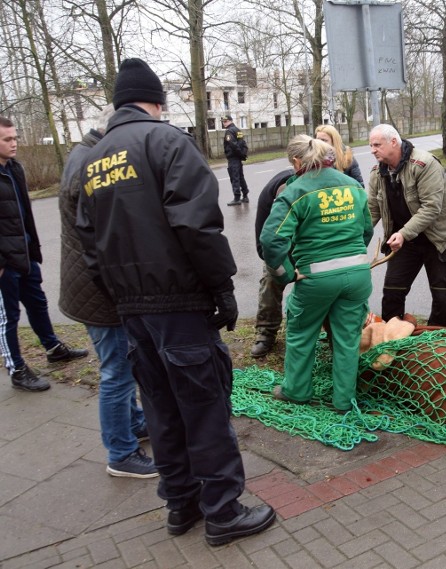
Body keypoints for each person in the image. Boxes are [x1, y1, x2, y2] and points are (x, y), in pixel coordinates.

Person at [76, 58, 275, 545]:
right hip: (179, 305)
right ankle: (223, 511)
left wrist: (119, 298)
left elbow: (87, 243)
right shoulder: (168, 143)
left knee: (160, 408)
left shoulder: (95, 160)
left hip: (132, 311)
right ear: (157, 102)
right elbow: (198, 226)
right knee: (204, 406)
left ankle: (181, 502)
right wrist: (222, 287)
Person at [58, 106, 156, 478]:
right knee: (117, 371)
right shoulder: (91, 165)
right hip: (98, 292)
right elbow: (104, 237)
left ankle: (132, 424)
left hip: (90, 287)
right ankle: (121, 453)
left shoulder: (83, 155)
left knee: (122, 364)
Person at [260, 135, 372, 412]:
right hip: (357, 275)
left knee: (302, 334)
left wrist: (286, 274)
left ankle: (296, 391)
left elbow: (271, 240)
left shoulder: (294, 191)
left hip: (315, 278)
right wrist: (350, 258)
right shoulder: (353, 186)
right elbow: (367, 229)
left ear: (297, 161)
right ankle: (345, 400)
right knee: (347, 338)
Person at [0, 116, 89, 393]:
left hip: (25, 254)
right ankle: (16, 369)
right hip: (4, 262)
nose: (14, 143)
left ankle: (52, 347)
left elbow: (24, 214)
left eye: (15, 138)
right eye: (7, 139)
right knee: (8, 317)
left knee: (37, 303)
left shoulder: (15, 168)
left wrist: (34, 250)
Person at [367, 124, 446, 327]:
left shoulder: (424, 164)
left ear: (393, 142)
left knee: (442, 294)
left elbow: (431, 208)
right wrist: (356, 237)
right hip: (405, 240)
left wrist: (402, 233)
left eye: (377, 145)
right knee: (392, 290)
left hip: (439, 237)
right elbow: (372, 209)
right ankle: (391, 340)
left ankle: (438, 340)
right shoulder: (377, 172)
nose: (372, 150)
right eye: (371, 145)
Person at [250, 166, 295, 358]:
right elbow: (263, 245)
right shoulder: (267, 198)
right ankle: (266, 333)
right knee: (270, 282)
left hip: (307, 242)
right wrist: (281, 268)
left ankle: (310, 330)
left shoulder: (307, 190)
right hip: (277, 246)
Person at [223, 115, 249, 206]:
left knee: (235, 177)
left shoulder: (229, 131)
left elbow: (233, 145)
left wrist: (240, 154)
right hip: (238, 157)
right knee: (240, 177)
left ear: (230, 121)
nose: (224, 123)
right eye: (223, 121)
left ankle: (237, 198)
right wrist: (243, 155)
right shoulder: (238, 130)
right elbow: (243, 143)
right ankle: (245, 196)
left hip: (233, 158)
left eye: (225, 121)